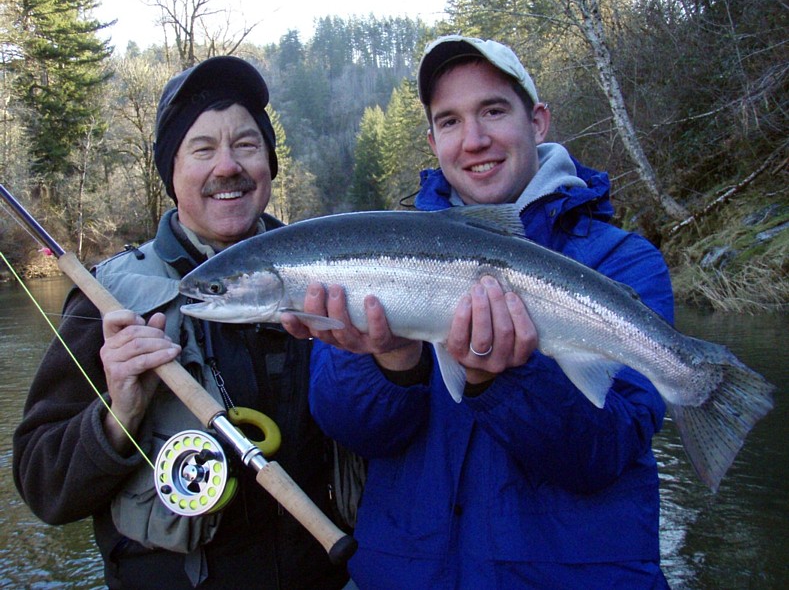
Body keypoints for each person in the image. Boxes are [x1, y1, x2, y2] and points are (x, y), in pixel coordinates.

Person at [282, 36, 674, 588]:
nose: (474, 140)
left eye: (492, 110)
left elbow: (605, 453)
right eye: (449, 121)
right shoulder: (376, 257)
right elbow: (351, 430)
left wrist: (503, 381)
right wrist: (393, 359)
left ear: (537, 122)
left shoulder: (621, 262)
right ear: (432, 140)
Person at [13, 56, 349, 590]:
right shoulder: (109, 298)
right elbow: (42, 483)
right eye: (202, 149)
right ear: (171, 173)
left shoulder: (335, 279)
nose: (227, 166)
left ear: (267, 162)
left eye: (245, 144)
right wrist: (117, 415)